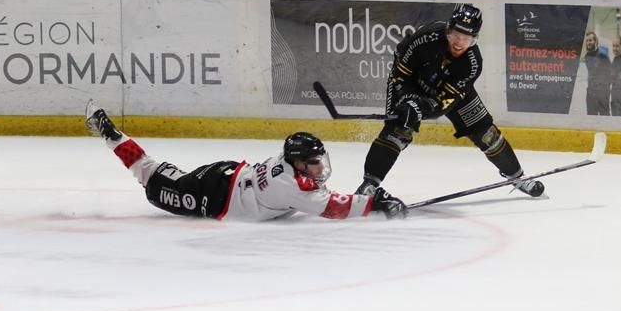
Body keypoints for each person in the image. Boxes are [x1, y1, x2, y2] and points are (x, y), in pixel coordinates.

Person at [85, 102, 407, 221]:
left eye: (320, 160)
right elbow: (332, 208)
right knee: (152, 181)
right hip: (210, 195)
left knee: (157, 174)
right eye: (314, 163)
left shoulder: (289, 166)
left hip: (230, 176)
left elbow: (321, 196)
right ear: (297, 163)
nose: (320, 168)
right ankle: (111, 134)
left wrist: (367, 200)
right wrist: (373, 204)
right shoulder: (289, 185)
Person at [356, 3, 546, 198]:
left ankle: (518, 177)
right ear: (448, 29)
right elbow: (400, 74)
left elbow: (441, 104)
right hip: (411, 85)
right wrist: (406, 100)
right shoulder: (425, 38)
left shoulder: (472, 64)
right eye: (456, 35)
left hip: (449, 95)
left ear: (474, 39)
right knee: (397, 130)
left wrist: (420, 108)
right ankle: (369, 185)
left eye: (467, 38)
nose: (459, 43)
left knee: (487, 135)